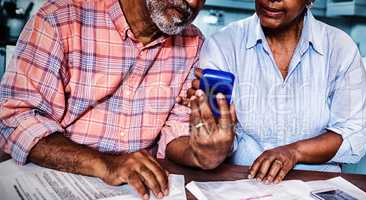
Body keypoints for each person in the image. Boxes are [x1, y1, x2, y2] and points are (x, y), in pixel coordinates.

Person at [0, 0, 235, 199]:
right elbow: (15, 118)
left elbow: (175, 136)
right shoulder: (60, 18)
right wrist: (104, 164)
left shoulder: (193, 44)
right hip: (53, 180)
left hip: (135, 190)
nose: (192, 3)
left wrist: (202, 153)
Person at [181, 0, 366, 184]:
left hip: (317, 186)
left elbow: (353, 132)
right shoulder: (223, 45)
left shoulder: (340, 48)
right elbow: (213, 136)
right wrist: (214, 133)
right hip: (242, 184)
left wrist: (294, 152)